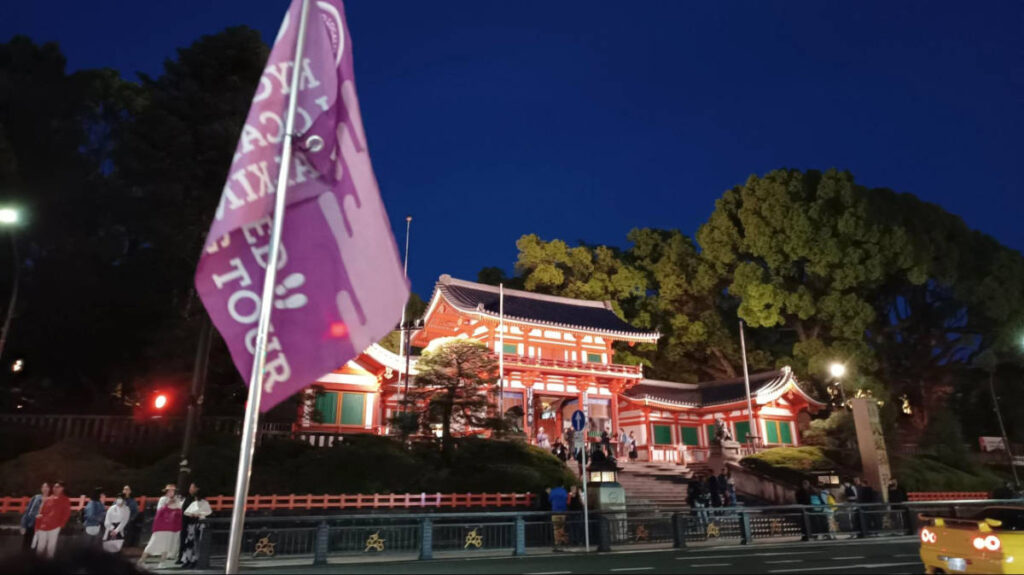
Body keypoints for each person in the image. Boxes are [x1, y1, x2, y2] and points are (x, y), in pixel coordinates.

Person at [138, 484, 183, 568]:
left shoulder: (177, 500)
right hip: (161, 525)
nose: (171, 492)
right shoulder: (163, 499)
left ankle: (162, 562)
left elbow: (180, 510)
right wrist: (168, 504)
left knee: (167, 544)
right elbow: (159, 511)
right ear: (166, 492)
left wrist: (176, 503)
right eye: (169, 490)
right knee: (153, 542)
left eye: (173, 491)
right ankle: (141, 560)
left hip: (171, 526)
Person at [34, 480, 71, 559]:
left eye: (58, 487)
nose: (55, 488)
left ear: (62, 488)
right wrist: (37, 525)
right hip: (43, 526)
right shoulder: (48, 499)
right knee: (40, 546)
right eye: (54, 487)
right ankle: (37, 563)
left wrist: (61, 524)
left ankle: (49, 565)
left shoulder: (65, 500)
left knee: (51, 546)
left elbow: (66, 513)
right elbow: (41, 512)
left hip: (55, 526)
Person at [179, 486, 212, 568]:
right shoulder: (194, 503)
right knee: (190, 543)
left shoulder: (205, 503)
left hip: (201, 524)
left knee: (197, 543)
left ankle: (195, 559)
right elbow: (186, 512)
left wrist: (199, 513)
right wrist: (192, 514)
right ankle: (187, 559)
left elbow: (208, 512)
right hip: (192, 524)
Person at [20, 482, 50, 551]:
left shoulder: (51, 499)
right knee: (26, 545)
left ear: (49, 489)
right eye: (43, 487)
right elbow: (27, 511)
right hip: (31, 524)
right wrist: (23, 525)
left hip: (42, 527)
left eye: (47, 487)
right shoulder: (36, 497)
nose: (45, 489)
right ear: (41, 489)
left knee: (38, 547)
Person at [547, 483, 569, 551]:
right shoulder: (564, 491)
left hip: (555, 512)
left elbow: (549, 500)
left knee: (556, 529)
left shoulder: (553, 491)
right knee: (562, 528)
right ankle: (562, 543)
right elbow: (567, 499)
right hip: (563, 512)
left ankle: (557, 544)